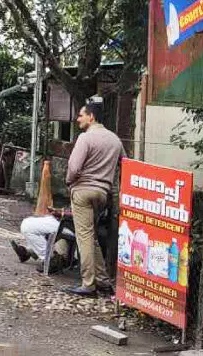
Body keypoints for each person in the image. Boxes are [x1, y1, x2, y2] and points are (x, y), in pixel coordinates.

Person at [64, 99, 125, 296]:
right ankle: (103, 280)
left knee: (84, 238)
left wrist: (69, 182)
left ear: (91, 117)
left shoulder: (85, 138)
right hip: (103, 194)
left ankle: (88, 283)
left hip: (83, 191)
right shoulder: (115, 140)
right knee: (91, 236)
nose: (78, 118)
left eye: (81, 114)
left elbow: (74, 167)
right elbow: (126, 164)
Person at [10, 207, 73, 274]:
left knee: (28, 226)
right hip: (66, 221)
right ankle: (28, 252)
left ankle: (51, 260)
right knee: (28, 222)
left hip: (71, 225)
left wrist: (62, 213)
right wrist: (60, 211)